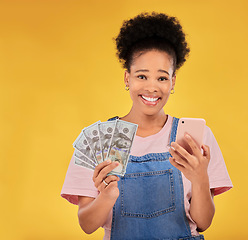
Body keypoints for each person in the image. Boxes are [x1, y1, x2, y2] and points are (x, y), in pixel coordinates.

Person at [61, 12, 233, 240]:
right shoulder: (99, 138)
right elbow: (87, 224)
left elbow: (204, 222)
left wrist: (200, 177)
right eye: (142, 76)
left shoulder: (194, 138)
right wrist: (108, 195)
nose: (152, 87)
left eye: (162, 78)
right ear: (127, 78)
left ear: (173, 82)